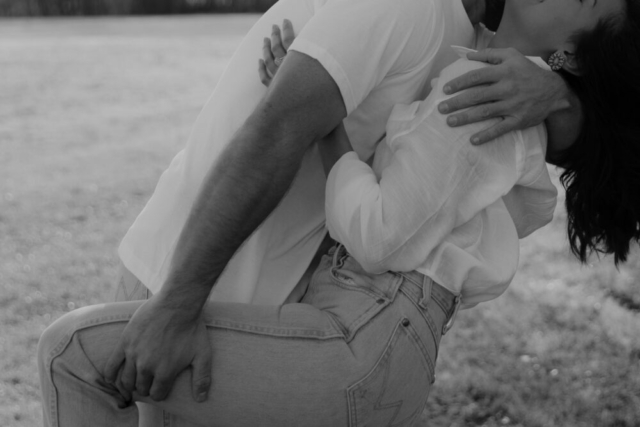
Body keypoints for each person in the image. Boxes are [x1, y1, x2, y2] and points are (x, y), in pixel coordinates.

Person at [37, 0, 640, 425]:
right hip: (244, 283)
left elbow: (372, 222)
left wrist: (560, 95)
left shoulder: (484, 77)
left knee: (72, 355)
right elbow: (276, 131)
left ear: (573, 53)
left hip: (343, 322)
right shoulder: (459, 39)